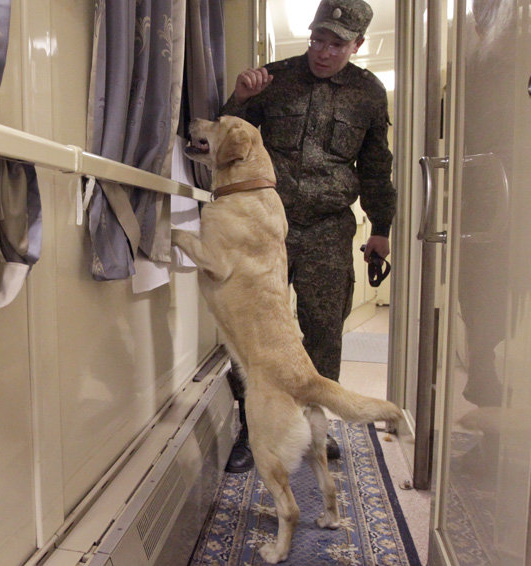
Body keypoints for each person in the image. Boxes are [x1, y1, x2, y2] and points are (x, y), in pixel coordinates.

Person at [220, 0, 396, 473]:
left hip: (328, 230)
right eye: (318, 39)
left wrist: (381, 229)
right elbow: (223, 138)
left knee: (323, 333)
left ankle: (315, 433)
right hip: (266, 228)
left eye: (336, 44)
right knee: (254, 333)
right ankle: (252, 431)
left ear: (357, 45)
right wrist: (238, 98)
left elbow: (377, 167)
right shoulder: (272, 79)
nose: (322, 51)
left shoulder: (369, 93)